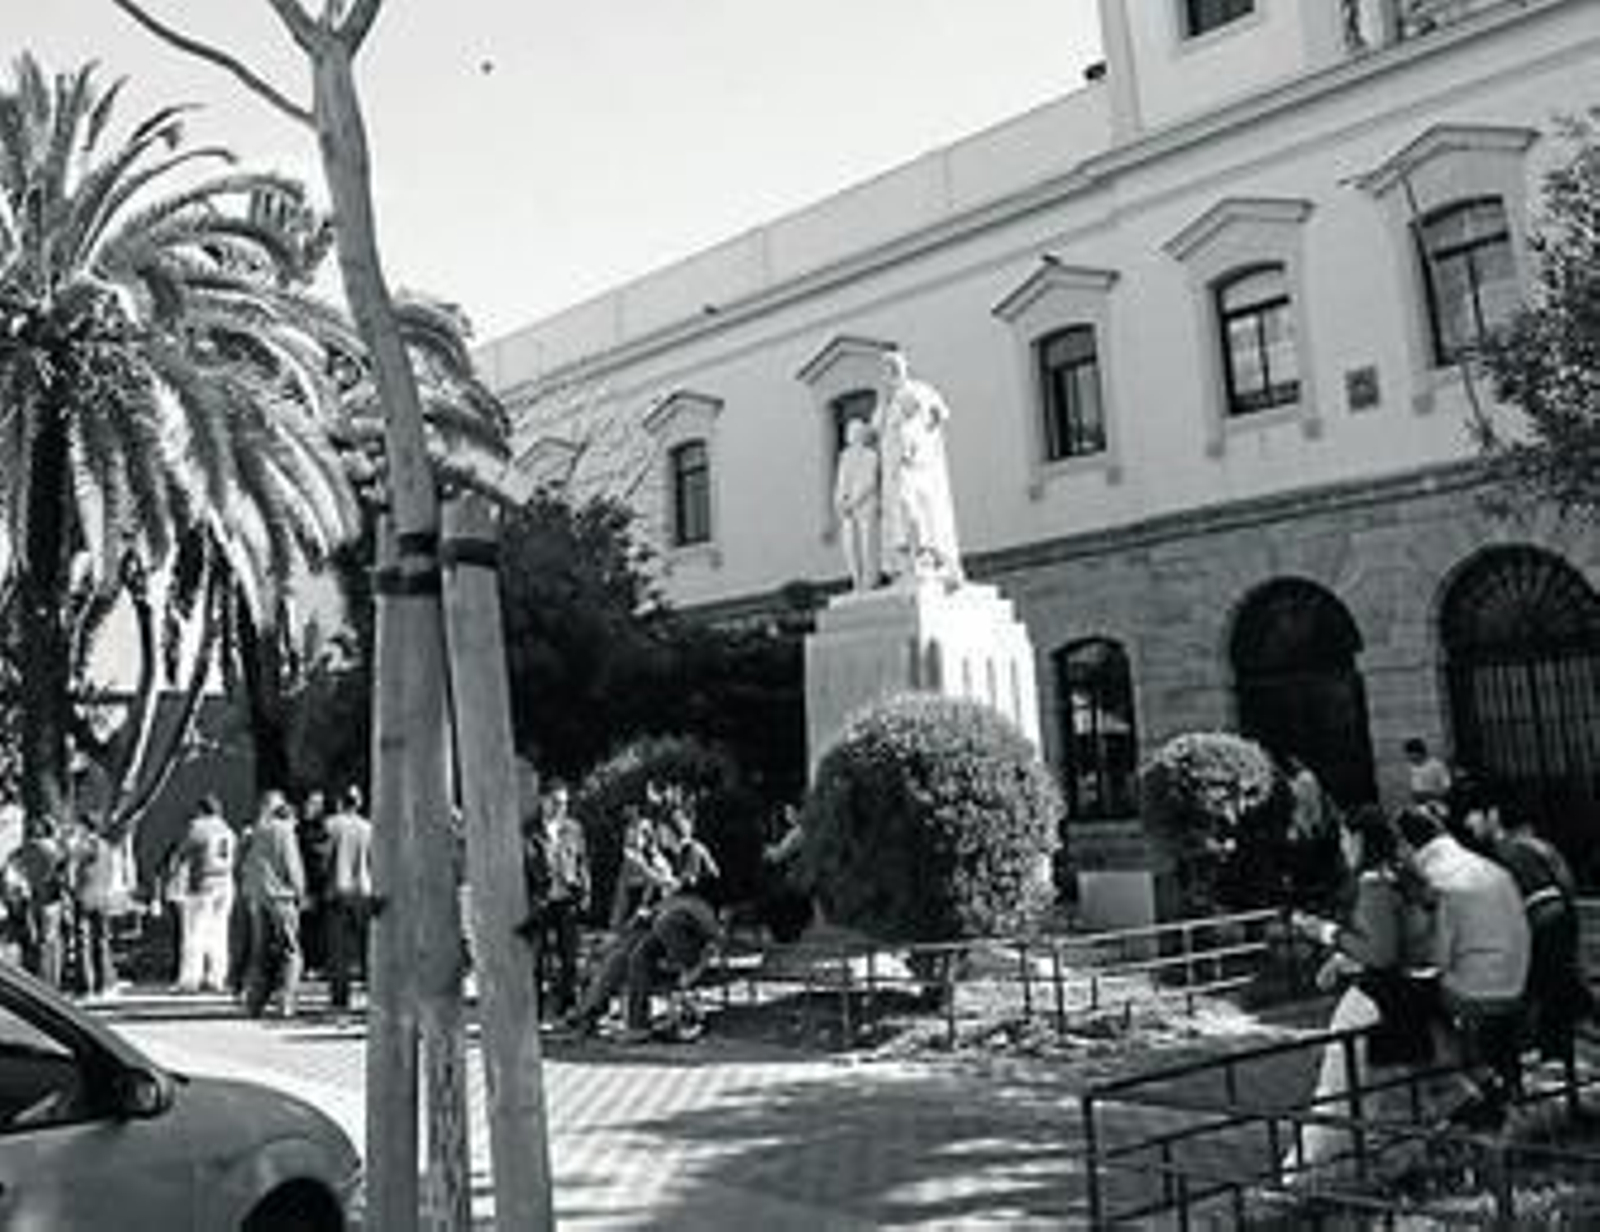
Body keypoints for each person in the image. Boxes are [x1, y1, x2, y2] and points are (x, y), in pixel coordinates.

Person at [1286, 806, 1436, 1181]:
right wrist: (1343, 957)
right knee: (1379, 1092)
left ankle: (1301, 1175)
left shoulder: (1373, 884)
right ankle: (1363, 1168)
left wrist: (1323, 932)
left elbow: (1381, 953)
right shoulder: (1400, 877)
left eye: (1343, 837)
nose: (1341, 846)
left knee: (1338, 1087)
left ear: (1358, 839)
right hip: (1407, 994)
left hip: (1376, 997)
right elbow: (1397, 943)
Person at [1394, 803, 1530, 1127]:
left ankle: (1459, 1090)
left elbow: (1439, 957)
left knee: (1404, 1000)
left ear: (1407, 843)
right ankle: (1486, 1079)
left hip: (1477, 992)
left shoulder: (1432, 878)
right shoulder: (1487, 866)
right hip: (1516, 979)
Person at [1459, 785, 1593, 1064]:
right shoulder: (1538, 847)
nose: (1467, 823)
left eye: (1472, 814)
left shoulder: (1512, 853)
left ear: (1492, 815)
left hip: (1541, 958)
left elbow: (1546, 908)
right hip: (1557, 955)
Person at [872, 350, 963, 586]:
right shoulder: (885, 400)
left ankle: (924, 554)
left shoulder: (918, 390)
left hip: (914, 463)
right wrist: (884, 403)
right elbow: (875, 428)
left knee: (914, 506)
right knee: (898, 511)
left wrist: (919, 429)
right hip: (892, 466)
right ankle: (905, 560)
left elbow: (940, 412)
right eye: (884, 370)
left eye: (890, 368)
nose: (887, 374)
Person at [240, 791, 307, 1018]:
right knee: (291, 951)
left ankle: (254, 1004)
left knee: (259, 952)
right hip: (282, 897)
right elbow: (292, 865)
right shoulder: (284, 831)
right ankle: (286, 1003)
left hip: (258, 897)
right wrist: (301, 893)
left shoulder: (257, 831)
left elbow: (246, 864)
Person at [173, 794, 237, 994]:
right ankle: (217, 976)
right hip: (225, 882)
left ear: (201, 810)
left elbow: (181, 853)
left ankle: (190, 979)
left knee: (194, 933)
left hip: (203, 883)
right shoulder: (228, 830)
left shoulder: (198, 827)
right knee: (219, 932)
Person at [322, 786, 373, 1012]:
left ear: (340, 802)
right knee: (366, 949)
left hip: (337, 891)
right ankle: (373, 995)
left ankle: (340, 1000)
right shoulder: (368, 827)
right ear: (358, 803)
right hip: (363, 891)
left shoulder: (330, 825)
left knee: (338, 951)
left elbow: (322, 858)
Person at [6, 818, 67, 987]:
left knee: (40, 941)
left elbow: (11, 867)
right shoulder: (55, 849)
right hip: (53, 899)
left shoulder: (24, 850)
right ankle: (54, 980)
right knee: (53, 942)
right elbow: (65, 868)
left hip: (35, 898)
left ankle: (42, 981)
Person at [834, 417, 882, 591]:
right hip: (848, 510)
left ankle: (870, 580)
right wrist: (840, 502)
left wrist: (854, 501)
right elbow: (841, 482)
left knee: (868, 545)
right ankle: (856, 579)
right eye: (850, 432)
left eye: (855, 432)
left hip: (866, 506)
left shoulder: (871, 455)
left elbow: (870, 482)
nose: (851, 435)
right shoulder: (844, 457)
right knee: (850, 546)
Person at [296, 789, 332, 975]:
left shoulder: (323, 827)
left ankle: (316, 964)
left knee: (317, 927)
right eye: (311, 803)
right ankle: (307, 963)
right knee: (306, 926)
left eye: (318, 803)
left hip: (319, 884)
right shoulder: (300, 828)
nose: (313, 807)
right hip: (305, 884)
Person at [1403, 738, 1452, 808]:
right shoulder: (1412, 767)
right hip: (1418, 804)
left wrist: (1427, 794)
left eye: (1415, 758)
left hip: (1435, 804)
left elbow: (1446, 789)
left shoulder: (1437, 766)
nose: (1412, 761)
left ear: (1421, 753)